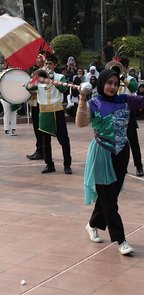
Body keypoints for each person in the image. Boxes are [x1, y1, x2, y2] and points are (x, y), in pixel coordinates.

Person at [76, 68, 144, 255]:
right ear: (102, 83)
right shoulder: (94, 103)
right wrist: (82, 98)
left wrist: (128, 79)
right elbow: (81, 123)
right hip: (101, 153)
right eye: (109, 83)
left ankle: (92, 225)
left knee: (110, 196)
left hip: (122, 151)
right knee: (109, 200)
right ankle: (120, 240)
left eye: (116, 83)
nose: (113, 87)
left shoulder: (124, 100)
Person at [26, 54, 72, 174]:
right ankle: (49, 164)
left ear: (55, 65)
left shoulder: (60, 77)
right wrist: (35, 78)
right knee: (45, 141)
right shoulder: (39, 77)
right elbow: (28, 87)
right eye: (46, 64)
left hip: (57, 111)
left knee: (63, 139)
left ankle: (67, 164)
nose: (47, 66)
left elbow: (64, 90)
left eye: (50, 64)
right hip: (44, 111)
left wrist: (53, 80)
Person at [118, 57, 143, 177]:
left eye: (122, 66)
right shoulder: (113, 79)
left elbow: (133, 88)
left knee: (133, 141)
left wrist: (123, 78)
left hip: (128, 113)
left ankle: (139, 166)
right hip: (115, 114)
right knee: (118, 142)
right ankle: (122, 167)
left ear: (126, 67)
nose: (120, 68)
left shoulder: (131, 78)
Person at [26, 52, 46, 160]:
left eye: (39, 58)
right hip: (34, 102)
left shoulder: (45, 73)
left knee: (40, 128)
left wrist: (36, 92)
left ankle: (42, 150)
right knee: (36, 127)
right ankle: (39, 149)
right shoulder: (35, 72)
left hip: (41, 103)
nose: (37, 60)